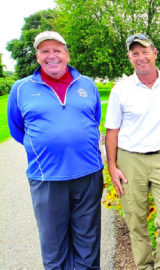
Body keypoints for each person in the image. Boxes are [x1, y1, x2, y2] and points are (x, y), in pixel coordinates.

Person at [7, 31, 104, 269]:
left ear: (67, 55)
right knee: (54, 247)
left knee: (88, 243)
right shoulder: (21, 89)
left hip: (88, 174)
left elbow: (93, 120)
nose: (52, 56)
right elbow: (17, 129)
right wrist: (47, 146)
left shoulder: (87, 85)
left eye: (57, 50)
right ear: (37, 56)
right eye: (45, 51)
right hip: (47, 178)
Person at [105, 33, 160, 270]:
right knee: (135, 220)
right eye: (135, 53)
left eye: (145, 52)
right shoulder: (121, 89)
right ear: (130, 58)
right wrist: (112, 166)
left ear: (155, 53)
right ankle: (144, 267)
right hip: (130, 160)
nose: (141, 57)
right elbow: (112, 130)